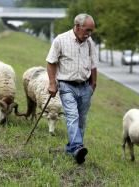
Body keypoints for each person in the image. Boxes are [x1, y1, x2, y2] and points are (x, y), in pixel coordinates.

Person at [46, 13, 98, 164]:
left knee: (82, 121)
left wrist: (93, 85)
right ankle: (77, 147)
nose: (89, 34)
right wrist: (51, 83)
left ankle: (72, 149)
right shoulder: (60, 40)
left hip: (85, 87)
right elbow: (50, 62)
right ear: (77, 26)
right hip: (66, 85)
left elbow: (93, 65)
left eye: (91, 31)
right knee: (72, 116)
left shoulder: (90, 43)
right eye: (87, 30)